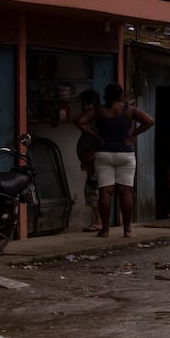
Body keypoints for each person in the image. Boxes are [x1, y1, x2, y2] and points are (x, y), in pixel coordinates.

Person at [76, 83, 154, 238]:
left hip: (104, 153)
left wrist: (95, 135)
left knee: (105, 192)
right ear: (121, 94)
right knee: (126, 193)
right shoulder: (128, 110)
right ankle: (127, 229)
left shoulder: (98, 111)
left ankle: (105, 229)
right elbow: (149, 121)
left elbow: (79, 121)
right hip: (125, 154)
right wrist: (132, 134)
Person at [76, 89, 103, 232]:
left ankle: (98, 221)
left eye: (83, 103)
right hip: (91, 159)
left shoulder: (95, 117)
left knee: (93, 190)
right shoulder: (93, 117)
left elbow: (99, 140)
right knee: (93, 190)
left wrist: (90, 157)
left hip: (94, 159)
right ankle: (98, 220)